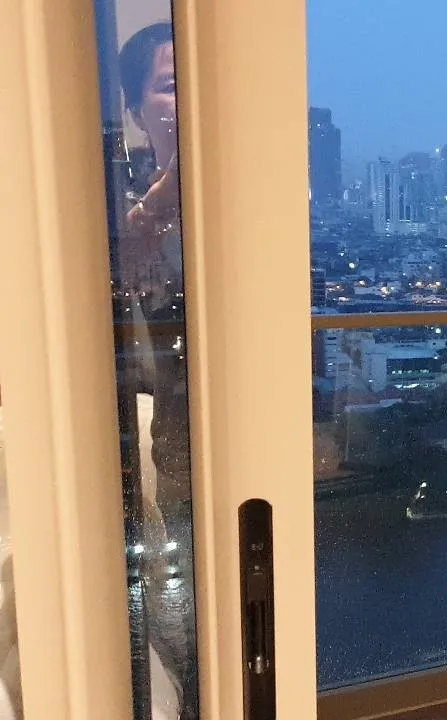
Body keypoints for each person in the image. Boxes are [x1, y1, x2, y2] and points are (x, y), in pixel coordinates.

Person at [118, 21, 194, 720]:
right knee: (180, 622)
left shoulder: (230, 196)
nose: (190, 99)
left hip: (239, 430)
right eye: (171, 86)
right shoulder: (116, 201)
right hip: (166, 438)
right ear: (136, 110)